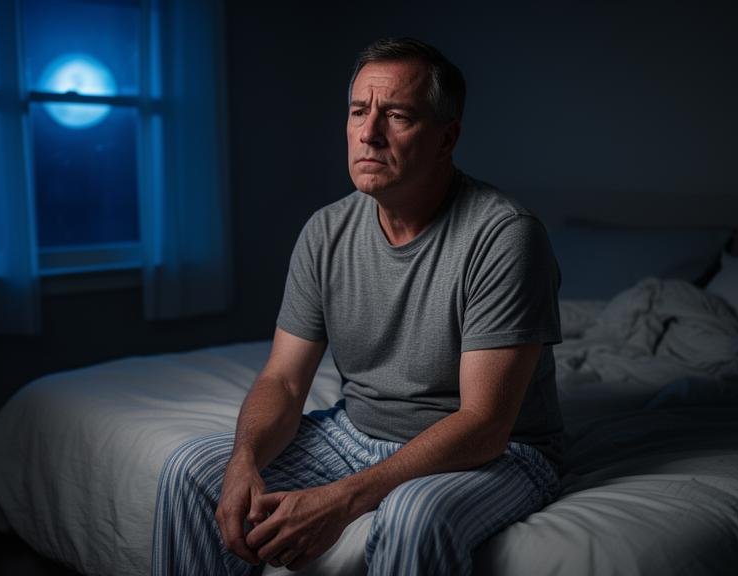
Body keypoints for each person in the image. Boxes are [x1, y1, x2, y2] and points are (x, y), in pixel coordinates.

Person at [152, 37, 563, 576]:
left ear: (447, 138)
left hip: (497, 453)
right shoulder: (325, 231)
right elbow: (284, 380)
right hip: (356, 432)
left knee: (412, 514)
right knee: (191, 471)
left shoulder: (505, 236)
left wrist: (344, 499)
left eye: (397, 115)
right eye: (358, 111)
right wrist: (244, 459)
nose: (369, 134)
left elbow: (484, 424)